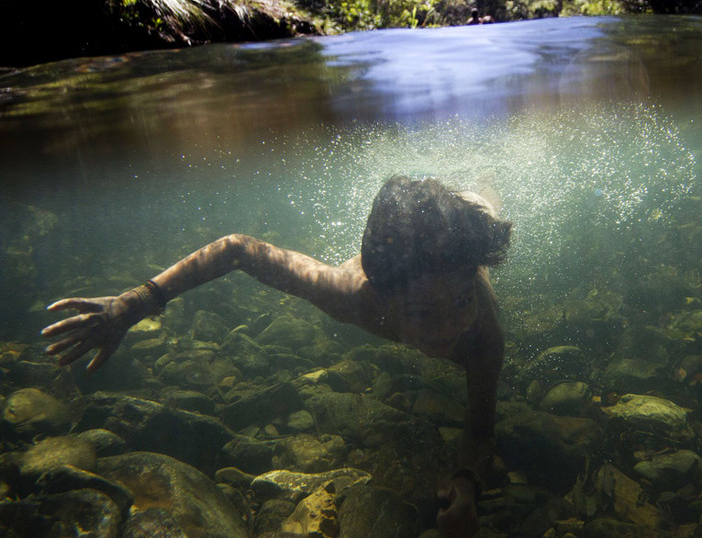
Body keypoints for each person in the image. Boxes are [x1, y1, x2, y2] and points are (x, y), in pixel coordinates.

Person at [41, 175, 512, 538]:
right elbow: (237, 250)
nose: (450, 328)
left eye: (460, 301)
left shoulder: (483, 335)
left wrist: (468, 481)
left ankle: (479, 186)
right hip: (394, 260)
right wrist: (134, 303)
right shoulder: (349, 294)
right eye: (423, 313)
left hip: (458, 231)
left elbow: (479, 428)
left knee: (483, 206)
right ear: (382, 298)